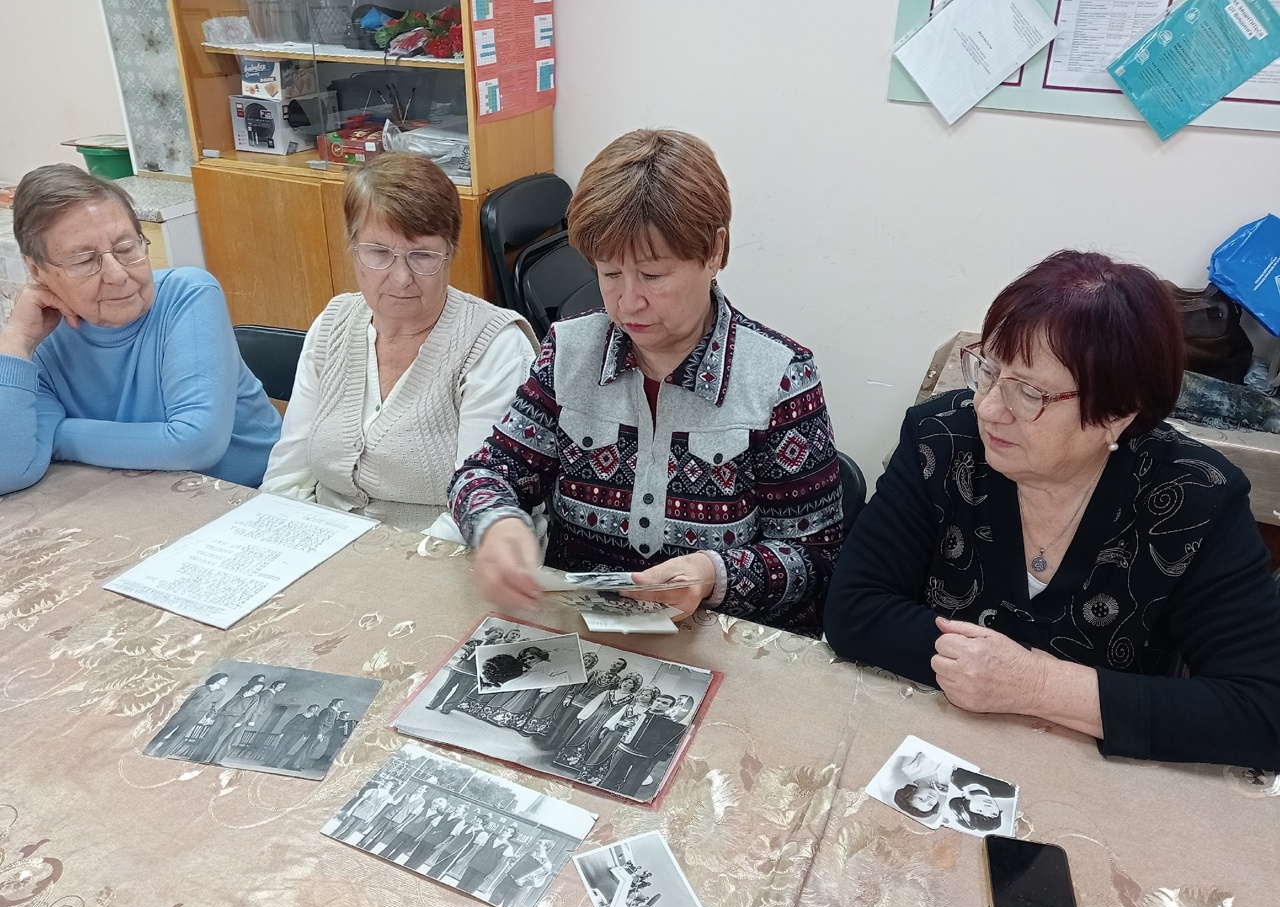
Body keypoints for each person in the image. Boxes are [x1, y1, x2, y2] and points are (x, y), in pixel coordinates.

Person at [825, 250, 1280, 769]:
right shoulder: (942, 441)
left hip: (1089, 777)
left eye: (1029, 393)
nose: (988, 408)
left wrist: (1038, 686)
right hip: (932, 744)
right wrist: (984, 672)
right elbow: (854, 609)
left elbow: (1263, 711)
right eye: (989, 371)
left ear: (1117, 414)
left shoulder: (1194, 498)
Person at [449, 128, 844, 637]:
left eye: (653, 276)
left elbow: (816, 558)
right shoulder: (569, 351)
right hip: (583, 633)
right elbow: (485, 472)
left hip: (719, 641)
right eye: (609, 274)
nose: (628, 302)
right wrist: (498, 524)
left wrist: (713, 574)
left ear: (714, 251)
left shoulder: (778, 376)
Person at [261, 152, 537, 536]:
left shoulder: (495, 348)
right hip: (322, 544)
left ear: (450, 253)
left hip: (438, 557)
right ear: (353, 247)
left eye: (422, 256)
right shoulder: (332, 326)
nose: (401, 277)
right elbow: (286, 478)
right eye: (378, 253)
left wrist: (376, 569)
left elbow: (477, 513)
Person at [0, 164, 280, 495]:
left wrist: (58, 436)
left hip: (254, 493)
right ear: (36, 270)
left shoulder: (187, 295)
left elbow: (196, 444)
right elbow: (9, 471)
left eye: (126, 248)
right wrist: (16, 340)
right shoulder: (39, 340)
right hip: (141, 498)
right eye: (85, 261)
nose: (118, 275)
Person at [145, 672, 229, 756]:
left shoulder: (221, 694)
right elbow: (186, 699)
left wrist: (209, 717)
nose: (226, 681)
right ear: (217, 679)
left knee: (180, 734)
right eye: (224, 679)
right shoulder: (201, 689)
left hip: (196, 716)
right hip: (183, 712)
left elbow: (214, 707)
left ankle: (160, 754)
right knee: (166, 729)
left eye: (226, 680)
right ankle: (147, 749)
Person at [490, 837, 556, 907]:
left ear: (546, 847)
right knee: (491, 904)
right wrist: (511, 862)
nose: (536, 843)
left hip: (520, 889)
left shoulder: (546, 864)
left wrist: (534, 882)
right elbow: (511, 865)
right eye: (537, 841)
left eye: (540, 843)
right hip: (507, 880)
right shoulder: (526, 854)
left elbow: (540, 882)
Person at [273, 704, 321, 769]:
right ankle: (270, 762)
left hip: (298, 735)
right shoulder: (299, 715)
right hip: (289, 732)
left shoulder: (314, 719)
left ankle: (276, 763)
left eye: (316, 709)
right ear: (309, 707)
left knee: (287, 748)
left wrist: (305, 735)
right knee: (280, 746)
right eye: (314, 708)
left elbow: (310, 728)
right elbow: (290, 723)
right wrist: (283, 732)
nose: (314, 710)